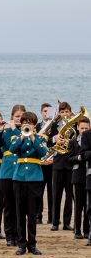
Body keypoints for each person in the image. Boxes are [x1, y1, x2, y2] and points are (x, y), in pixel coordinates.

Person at [9, 112, 48, 255]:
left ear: (34, 124)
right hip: (19, 178)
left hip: (35, 178)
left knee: (32, 214)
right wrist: (22, 137)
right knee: (20, 213)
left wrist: (32, 138)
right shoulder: (16, 138)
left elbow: (43, 152)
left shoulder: (39, 138)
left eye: (30, 122)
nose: (27, 124)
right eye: (25, 122)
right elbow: (12, 149)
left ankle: (32, 244)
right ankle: (21, 244)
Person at [0, 105, 25, 247]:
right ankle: (10, 235)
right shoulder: (5, 131)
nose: (19, 119)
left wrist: (16, 129)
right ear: (11, 117)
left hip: (22, 172)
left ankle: (20, 235)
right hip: (7, 172)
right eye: (16, 117)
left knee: (20, 206)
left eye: (21, 117)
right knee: (9, 205)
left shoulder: (26, 131)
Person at [47, 101, 74, 231]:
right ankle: (55, 222)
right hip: (57, 163)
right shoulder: (54, 125)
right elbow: (47, 142)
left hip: (70, 163)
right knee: (56, 195)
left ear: (70, 112)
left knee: (69, 195)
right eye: (62, 112)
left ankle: (67, 222)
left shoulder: (75, 124)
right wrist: (55, 139)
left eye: (66, 112)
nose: (64, 114)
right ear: (59, 113)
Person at [67, 117, 90, 239]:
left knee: (88, 205)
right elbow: (69, 158)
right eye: (82, 128)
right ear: (77, 128)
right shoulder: (73, 141)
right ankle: (77, 230)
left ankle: (87, 231)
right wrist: (79, 158)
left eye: (86, 128)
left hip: (88, 175)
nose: (84, 130)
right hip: (78, 176)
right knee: (78, 205)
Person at [36, 103, 54, 223]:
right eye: (44, 111)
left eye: (49, 111)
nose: (46, 113)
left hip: (52, 163)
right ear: (41, 112)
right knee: (38, 191)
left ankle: (52, 217)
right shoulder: (36, 127)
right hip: (40, 164)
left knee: (52, 192)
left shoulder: (56, 127)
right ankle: (38, 216)